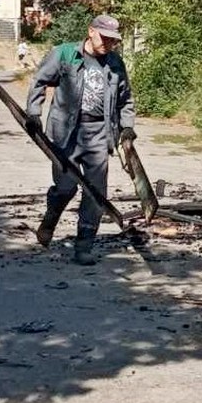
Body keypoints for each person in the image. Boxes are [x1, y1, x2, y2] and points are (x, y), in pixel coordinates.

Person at [25, 14, 135, 265]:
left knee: (95, 192)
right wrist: (33, 112)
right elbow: (40, 81)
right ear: (91, 31)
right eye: (105, 38)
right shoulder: (64, 54)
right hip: (66, 133)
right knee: (65, 187)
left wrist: (127, 127)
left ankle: (84, 245)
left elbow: (125, 99)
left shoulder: (115, 63)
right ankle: (51, 217)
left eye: (113, 40)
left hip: (99, 133)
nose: (109, 44)